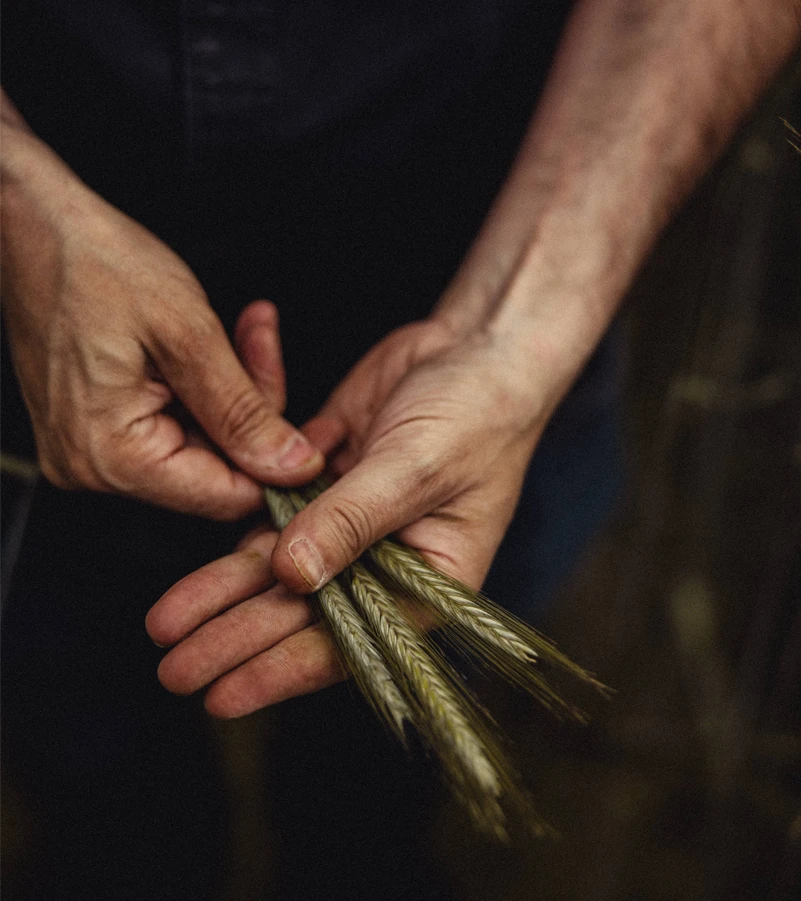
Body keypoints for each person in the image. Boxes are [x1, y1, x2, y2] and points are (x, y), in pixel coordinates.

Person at [0, 1, 798, 898]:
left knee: (379, 761)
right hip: (26, 285)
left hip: (478, 211)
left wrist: (515, 332)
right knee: (85, 741)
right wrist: (13, 197)